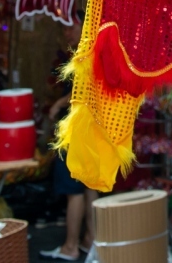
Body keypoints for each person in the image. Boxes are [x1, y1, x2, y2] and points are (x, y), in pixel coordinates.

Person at [41, 17, 95, 261]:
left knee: (73, 187)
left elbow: (82, 91)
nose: (66, 32)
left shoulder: (85, 54)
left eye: (70, 27)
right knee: (88, 185)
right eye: (64, 28)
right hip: (88, 130)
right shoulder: (88, 53)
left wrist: (58, 105)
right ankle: (90, 239)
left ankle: (70, 246)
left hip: (75, 130)